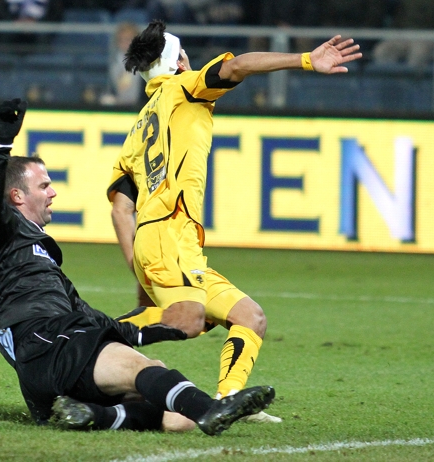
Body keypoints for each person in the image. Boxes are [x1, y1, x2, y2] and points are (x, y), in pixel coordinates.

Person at [107, 21, 361, 420]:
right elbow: (237, 66)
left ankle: (230, 398)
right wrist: (307, 59)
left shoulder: (138, 128)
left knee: (249, 317)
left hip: (160, 239)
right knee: (187, 320)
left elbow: (121, 208)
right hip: (171, 235)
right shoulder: (185, 86)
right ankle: (87, 339)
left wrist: (139, 272)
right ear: (179, 63)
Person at [0, 98, 276, 434]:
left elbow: (90, 317)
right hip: (46, 344)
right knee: (141, 370)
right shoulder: (4, 233)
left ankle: (93, 415)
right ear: (17, 196)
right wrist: (1, 145)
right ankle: (213, 409)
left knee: (177, 416)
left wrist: (159, 330)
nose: (53, 193)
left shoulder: (45, 262)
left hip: (50, 364)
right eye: (44, 185)